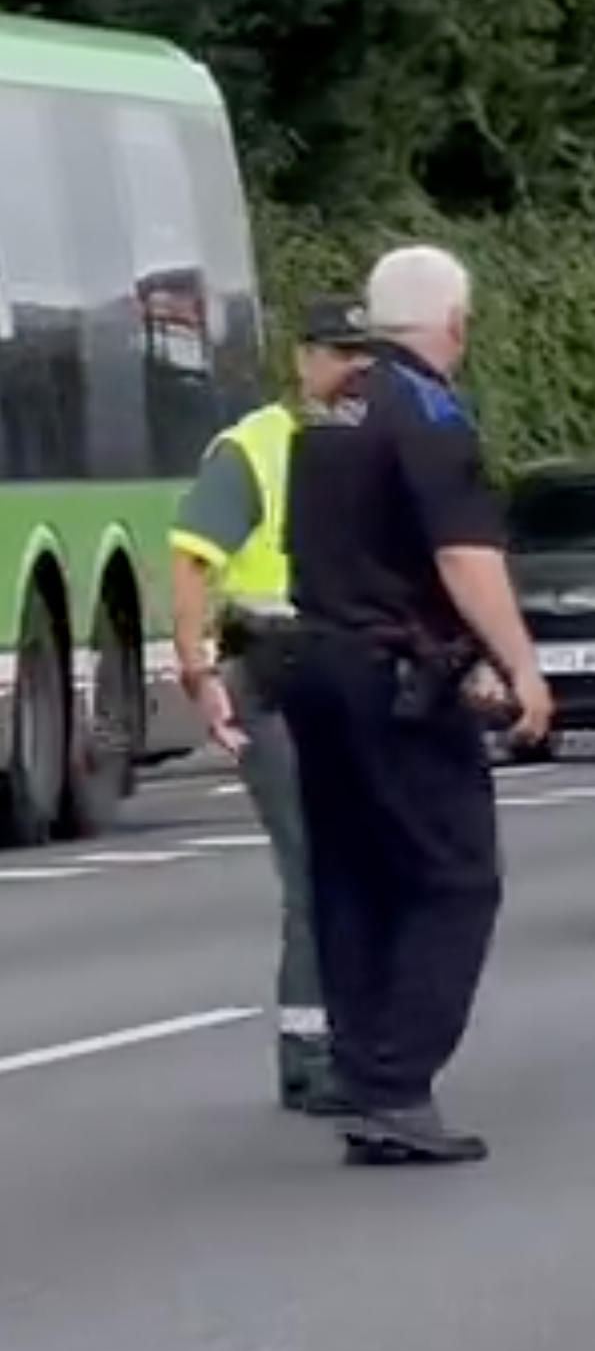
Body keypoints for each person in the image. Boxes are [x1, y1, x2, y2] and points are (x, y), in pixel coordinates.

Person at [274, 246, 552, 1165]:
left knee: (354, 877)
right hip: (396, 677)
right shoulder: (429, 411)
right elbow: (464, 556)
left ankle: (364, 1078)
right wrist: (522, 669)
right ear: (457, 325)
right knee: (454, 875)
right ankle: (397, 1084)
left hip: (316, 666)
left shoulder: (329, 411)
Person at [168, 296, 375, 1114]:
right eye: (338, 353)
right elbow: (192, 561)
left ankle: (345, 1040)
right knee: (317, 866)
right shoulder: (255, 448)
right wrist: (197, 669)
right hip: (275, 676)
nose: (353, 369)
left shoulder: (373, 445)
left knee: (358, 866)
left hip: (350, 675)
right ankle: (311, 1054)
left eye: (366, 355)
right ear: (303, 359)